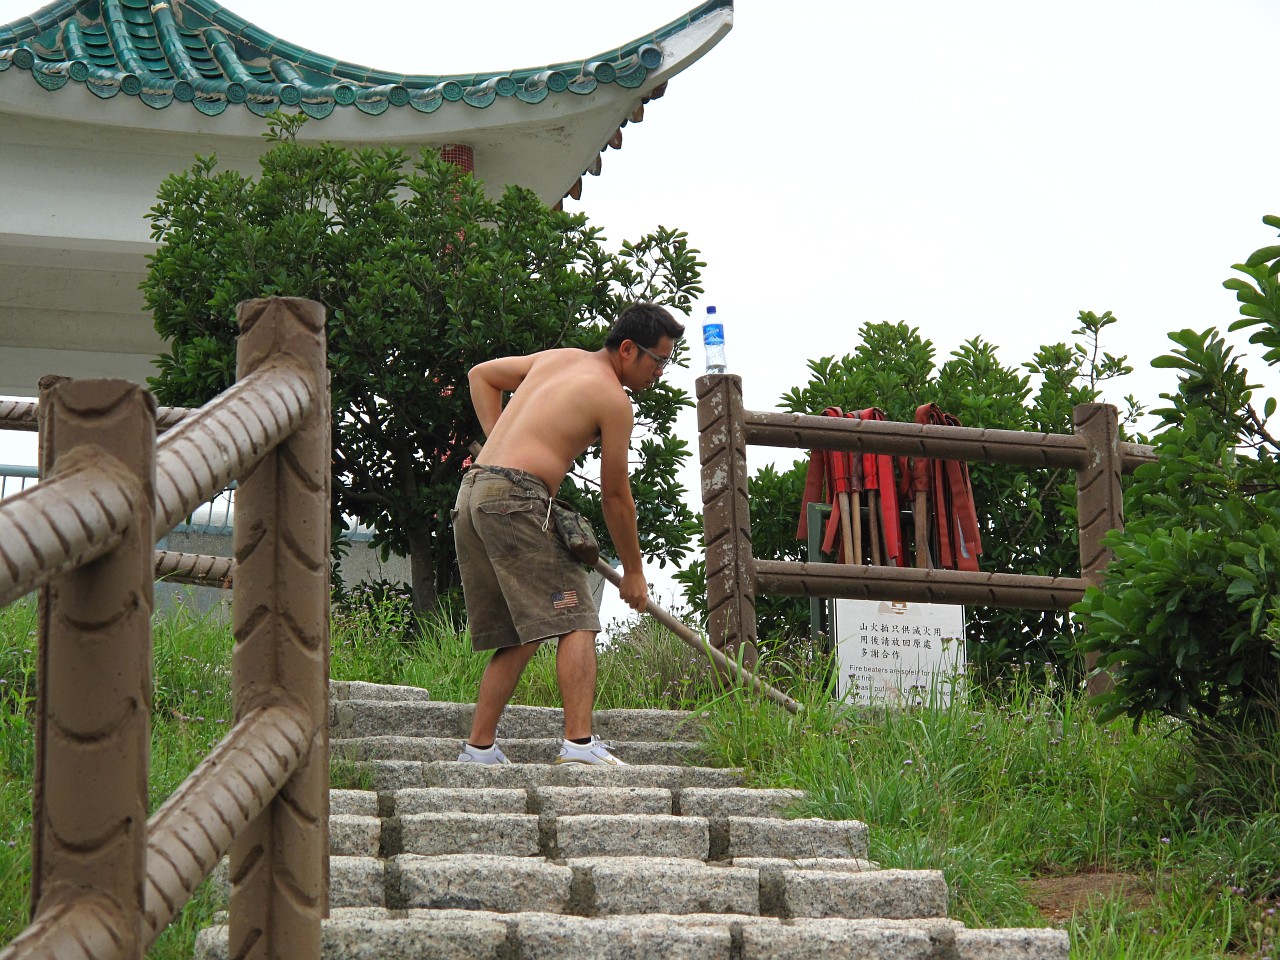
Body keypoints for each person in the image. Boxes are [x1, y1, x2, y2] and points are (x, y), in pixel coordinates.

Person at [452, 302, 684, 765]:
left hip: (474, 492)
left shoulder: (558, 358)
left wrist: (499, 444)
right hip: (515, 499)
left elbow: (482, 375)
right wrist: (634, 572)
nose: (661, 372)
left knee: (523, 630)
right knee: (576, 613)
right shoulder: (613, 400)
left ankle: (479, 749)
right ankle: (579, 745)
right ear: (627, 349)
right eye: (658, 360)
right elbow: (616, 497)